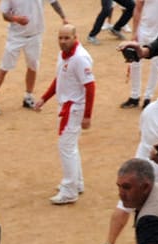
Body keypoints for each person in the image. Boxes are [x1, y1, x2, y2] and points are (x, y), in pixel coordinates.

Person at [36, 23, 94, 206]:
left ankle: (69, 190)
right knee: (70, 146)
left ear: (75, 37)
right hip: (70, 106)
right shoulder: (64, 56)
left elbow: (90, 87)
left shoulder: (80, 58)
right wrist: (44, 98)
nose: (62, 41)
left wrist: (87, 115)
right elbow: (59, 78)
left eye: (67, 38)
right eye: (60, 38)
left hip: (74, 108)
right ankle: (76, 183)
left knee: (66, 147)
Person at [0, 0, 63, 113]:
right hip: (15, 37)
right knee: (5, 67)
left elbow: (54, 2)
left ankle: (28, 97)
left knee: (33, 66)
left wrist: (64, 17)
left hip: (35, 35)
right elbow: (4, 15)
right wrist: (16, 19)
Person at [122, 0, 158, 107]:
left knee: (156, 65)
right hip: (143, 30)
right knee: (135, 62)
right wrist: (135, 32)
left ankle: (148, 97)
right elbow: (138, 7)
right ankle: (135, 96)